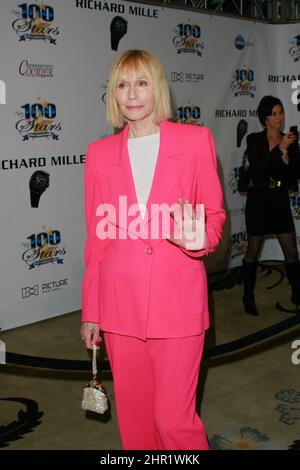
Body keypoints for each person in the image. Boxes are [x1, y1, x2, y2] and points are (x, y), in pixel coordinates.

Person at [80, 49, 225, 450]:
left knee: (173, 422)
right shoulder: (98, 154)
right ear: (113, 93)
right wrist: (91, 310)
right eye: (123, 85)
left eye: (142, 82)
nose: (132, 94)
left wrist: (202, 240)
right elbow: (97, 238)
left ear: (157, 87)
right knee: (136, 422)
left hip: (178, 304)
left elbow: (213, 214)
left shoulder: (195, 141)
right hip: (119, 308)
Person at [242, 95, 300, 316]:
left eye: (281, 112)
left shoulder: (290, 140)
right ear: (265, 117)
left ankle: (297, 292)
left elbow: (296, 173)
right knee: (252, 251)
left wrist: (286, 160)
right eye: (274, 114)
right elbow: (258, 168)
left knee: (291, 252)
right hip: (258, 201)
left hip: (279, 201)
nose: (279, 117)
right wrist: (279, 150)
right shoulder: (254, 139)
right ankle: (248, 294)